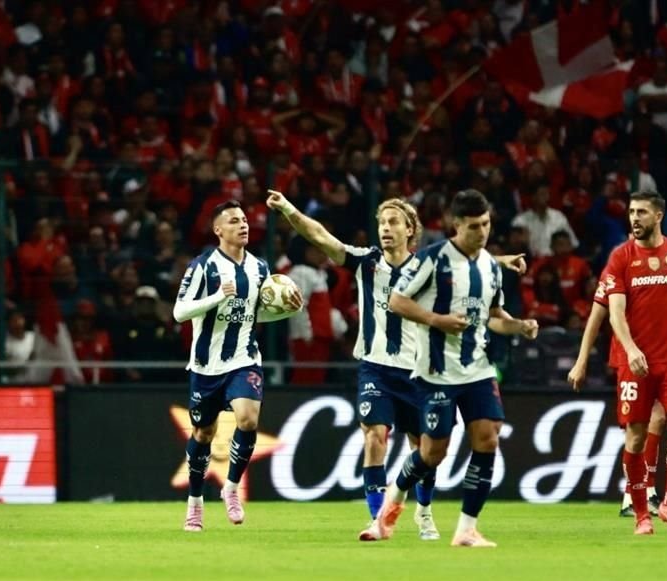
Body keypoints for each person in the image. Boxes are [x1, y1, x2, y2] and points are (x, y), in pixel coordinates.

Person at [266, 189, 527, 540]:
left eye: (394, 222)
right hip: (375, 368)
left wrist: (502, 260)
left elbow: (463, 258)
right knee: (375, 437)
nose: (386, 229)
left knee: (425, 449)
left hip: (418, 370)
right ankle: (378, 518)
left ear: (410, 230)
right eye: (382, 223)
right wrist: (287, 207)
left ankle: (424, 512)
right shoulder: (365, 261)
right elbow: (320, 236)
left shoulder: (425, 266)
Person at [360, 189, 539, 547]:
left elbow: (493, 317)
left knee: (488, 436)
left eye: (486, 224)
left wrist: (518, 325)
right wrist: (436, 319)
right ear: (456, 225)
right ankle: (392, 502)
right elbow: (397, 301)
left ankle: (466, 529)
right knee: (432, 453)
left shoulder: (490, 267)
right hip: (435, 372)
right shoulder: (433, 259)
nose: (481, 232)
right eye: (473, 226)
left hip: (477, 368)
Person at [173, 199, 303, 532]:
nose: (243, 224)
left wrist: (287, 309)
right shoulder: (203, 266)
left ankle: (231, 487)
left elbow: (256, 313)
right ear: (218, 229)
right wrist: (218, 296)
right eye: (233, 221)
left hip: (244, 359)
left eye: (244, 219)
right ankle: (195, 503)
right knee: (203, 433)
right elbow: (179, 312)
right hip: (206, 366)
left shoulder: (259, 268)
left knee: (248, 419)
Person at [569, 266, 667, 520]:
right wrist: (581, 361)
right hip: (630, 354)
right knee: (639, 427)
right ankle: (633, 495)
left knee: (658, 419)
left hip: (662, 354)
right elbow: (598, 314)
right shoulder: (619, 267)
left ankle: (647, 491)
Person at [603, 190, 667, 535]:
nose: (634, 218)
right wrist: (631, 350)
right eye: (632, 211)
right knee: (635, 440)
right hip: (637, 364)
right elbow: (615, 314)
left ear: (658, 216)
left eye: (642, 212)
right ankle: (640, 514)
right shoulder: (621, 257)